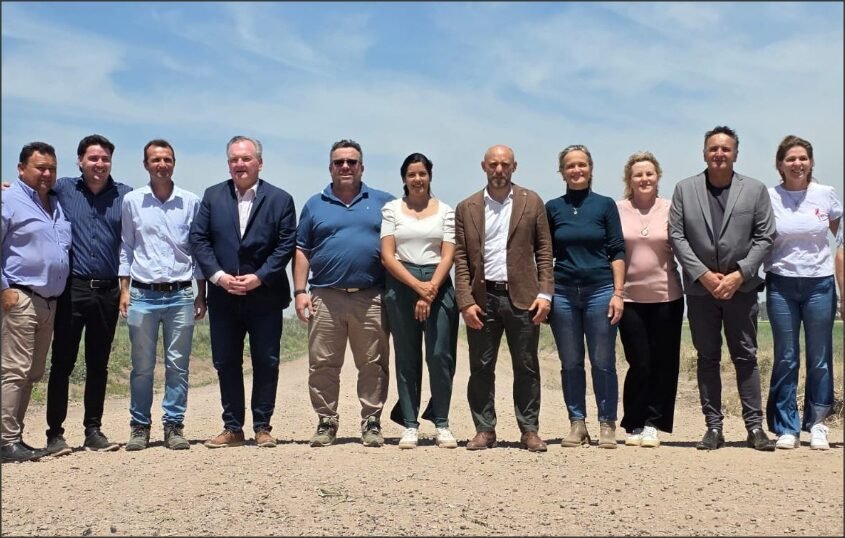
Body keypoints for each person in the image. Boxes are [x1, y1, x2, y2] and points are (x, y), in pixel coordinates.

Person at [669, 125, 776, 451]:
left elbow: (765, 236)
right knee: (707, 357)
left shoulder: (755, 190)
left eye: (725, 149)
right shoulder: (685, 189)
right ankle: (713, 428)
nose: (719, 154)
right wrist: (703, 274)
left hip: (741, 290)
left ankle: (755, 428)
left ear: (735, 154)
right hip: (701, 292)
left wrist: (739, 275)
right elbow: (677, 236)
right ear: (704, 153)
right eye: (713, 149)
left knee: (746, 357)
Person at [190, 136, 297, 449]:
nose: (240, 164)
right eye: (234, 159)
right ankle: (232, 428)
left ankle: (263, 427)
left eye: (246, 158)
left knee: (266, 360)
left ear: (259, 163)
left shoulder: (280, 199)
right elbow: (199, 240)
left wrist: (260, 277)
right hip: (224, 296)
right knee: (226, 362)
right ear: (228, 164)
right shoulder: (212, 196)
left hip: (265, 295)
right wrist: (219, 277)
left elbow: (285, 244)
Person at [293, 139, 394, 448]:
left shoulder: (384, 202)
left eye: (352, 162)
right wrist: (299, 291)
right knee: (323, 363)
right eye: (339, 162)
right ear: (330, 167)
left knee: (373, 363)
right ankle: (326, 421)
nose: (346, 167)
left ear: (362, 166)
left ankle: (371, 422)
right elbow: (302, 250)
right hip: (326, 295)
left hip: (371, 296)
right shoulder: (315, 204)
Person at [454, 144, 553, 453]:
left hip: (522, 297)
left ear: (514, 167)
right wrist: (465, 301)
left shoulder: (531, 201)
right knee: (481, 366)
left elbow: (544, 251)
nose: (499, 170)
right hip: (483, 300)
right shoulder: (467, 207)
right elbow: (460, 258)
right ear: (484, 166)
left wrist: (545, 293)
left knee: (526, 365)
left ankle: (529, 429)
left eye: (505, 164)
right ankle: (484, 429)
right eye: (494, 164)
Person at [44, 134, 132, 457]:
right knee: (63, 362)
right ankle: (55, 433)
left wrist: (126, 289)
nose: (99, 164)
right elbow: (31, 190)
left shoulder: (125, 196)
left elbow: (130, 244)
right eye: (93, 158)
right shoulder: (64, 189)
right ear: (80, 160)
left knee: (99, 363)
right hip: (73, 289)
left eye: (105, 159)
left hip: (108, 290)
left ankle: (93, 430)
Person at [119, 139, 206, 451]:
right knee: (142, 366)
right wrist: (124, 290)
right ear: (146, 164)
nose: (162, 164)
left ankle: (174, 425)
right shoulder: (132, 201)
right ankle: (139, 426)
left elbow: (197, 251)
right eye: (155, 159)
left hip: (180, 294)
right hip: (142, 294)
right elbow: (126, 247)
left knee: (177, 365)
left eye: (167, 159)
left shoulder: (190, 202)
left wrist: (201, 293)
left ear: (174, 163)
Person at [763, 135, 841, 450]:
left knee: (820, 357)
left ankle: (817, 423)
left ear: (811, 163)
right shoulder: (768, 197)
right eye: (791, 159)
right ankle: (786, 426)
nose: (797, 164)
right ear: (780, 164)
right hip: (781, 282)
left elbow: (841, 234)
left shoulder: (826, 195)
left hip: (819, 283)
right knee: (786, 356)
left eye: (803, 158)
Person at [546, 144, 625, 449]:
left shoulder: (605, 205)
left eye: (582, 165)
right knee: (570, 361)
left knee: (603, 360)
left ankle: (607, 423)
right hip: (563, 293)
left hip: (601, 290)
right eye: (570, 166)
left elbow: (617, 249)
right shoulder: (553, 208)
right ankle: (577, 423)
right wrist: (545, 293)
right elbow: (545, 254)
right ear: (562, 172)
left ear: (591, 168)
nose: (576, 170)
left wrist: (618, 293)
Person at [381, 153, 458, 449]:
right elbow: (387, 254)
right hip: (402, 281)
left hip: (438, 280)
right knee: (406, 356)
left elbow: (448, 252)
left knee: (440, 355)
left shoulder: (446, 211)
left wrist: (431, 288)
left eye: (422, 173)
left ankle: (441, 422)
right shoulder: (392, 210)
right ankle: (410, 424)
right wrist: (416, 286)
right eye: (411, 174)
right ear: (404, 178)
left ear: (430, 176)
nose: (417, 179)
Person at [1, 142, 71, 463]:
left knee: (32, 372)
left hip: (49, 302)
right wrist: (5, 289)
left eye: (51, 168)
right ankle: (5, 441)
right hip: (20, 297)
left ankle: (14, 436)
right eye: (40, 167)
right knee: (13, 370)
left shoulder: (56, 205)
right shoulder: (8, 200)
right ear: (21, 169)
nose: (46, 173)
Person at [615, 152, 684, 448]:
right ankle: (634, 421)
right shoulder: (617, 209)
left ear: (658, 177)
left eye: (649, 174)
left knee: (664, 362)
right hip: (629, 298)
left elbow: (685, 245)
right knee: (639, 362)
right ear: (629, 180)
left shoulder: (671, 209)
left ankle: (654, 424)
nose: (644, 179)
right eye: (638, 175)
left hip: (667, 297)